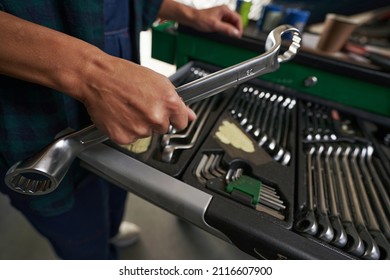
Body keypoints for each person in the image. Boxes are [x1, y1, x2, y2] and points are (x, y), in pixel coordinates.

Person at [0, 0, 243, 259]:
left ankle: (110, 231)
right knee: (81, 239)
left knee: (115, 192)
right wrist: (91, 74)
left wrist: (189, 14)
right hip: (38, 123)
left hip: (115, 119)